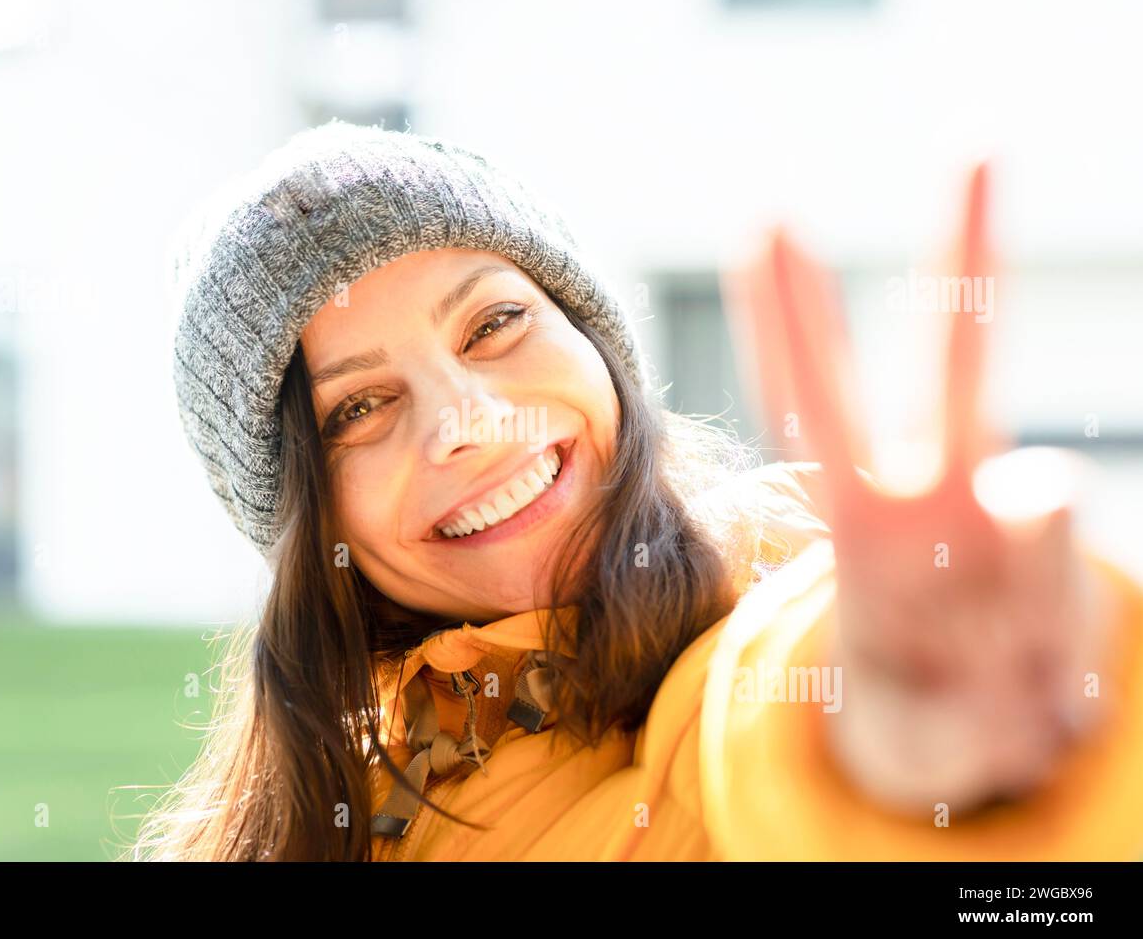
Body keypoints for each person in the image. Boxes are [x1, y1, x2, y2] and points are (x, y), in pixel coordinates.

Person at [134, 120, 1143, 861]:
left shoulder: (802, 593)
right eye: (356, 410)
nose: (468, 422)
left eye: (492, 325)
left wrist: (913, 751)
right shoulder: (333, 816)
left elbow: (757, 739)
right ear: (307, 522)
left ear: (594, 341)